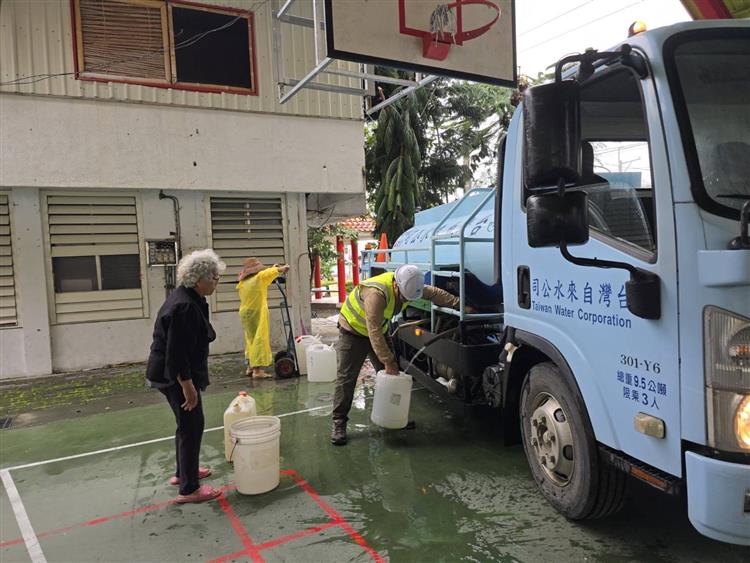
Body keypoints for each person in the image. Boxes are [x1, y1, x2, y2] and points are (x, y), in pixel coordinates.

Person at [331, 264, 461, 446]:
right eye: (403, 296)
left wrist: (459, 303)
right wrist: (387, 360)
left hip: (376, 330)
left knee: (394, 376)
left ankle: (396, 417)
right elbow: (373, 331)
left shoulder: (410, 286)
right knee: (347, 378)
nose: (404, 300)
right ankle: (339, 423)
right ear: (395, 286)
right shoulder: (376, 294)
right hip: (353, 331)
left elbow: (433, 293)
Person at [146, 249, 225, 503]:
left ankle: (184, 472)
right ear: (199, 278)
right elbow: (176, 352)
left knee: (187, 423)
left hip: (172, 371)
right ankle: (189, 489)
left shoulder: (190, 297)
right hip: (174, 375)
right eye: (213, 277)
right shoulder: (184, 306)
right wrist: (187, 386)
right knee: (192, 425)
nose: (216, 282)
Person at [237, 258, 291, 378]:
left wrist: (274, 268)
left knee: (250, 339)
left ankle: (250, 367)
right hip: (256, 311)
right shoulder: (259, 278)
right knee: (259, 339)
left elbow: (266, 276)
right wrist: (282, 269)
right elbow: (266, 275)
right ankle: (257, 370)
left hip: (245, 312)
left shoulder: (244, 282)